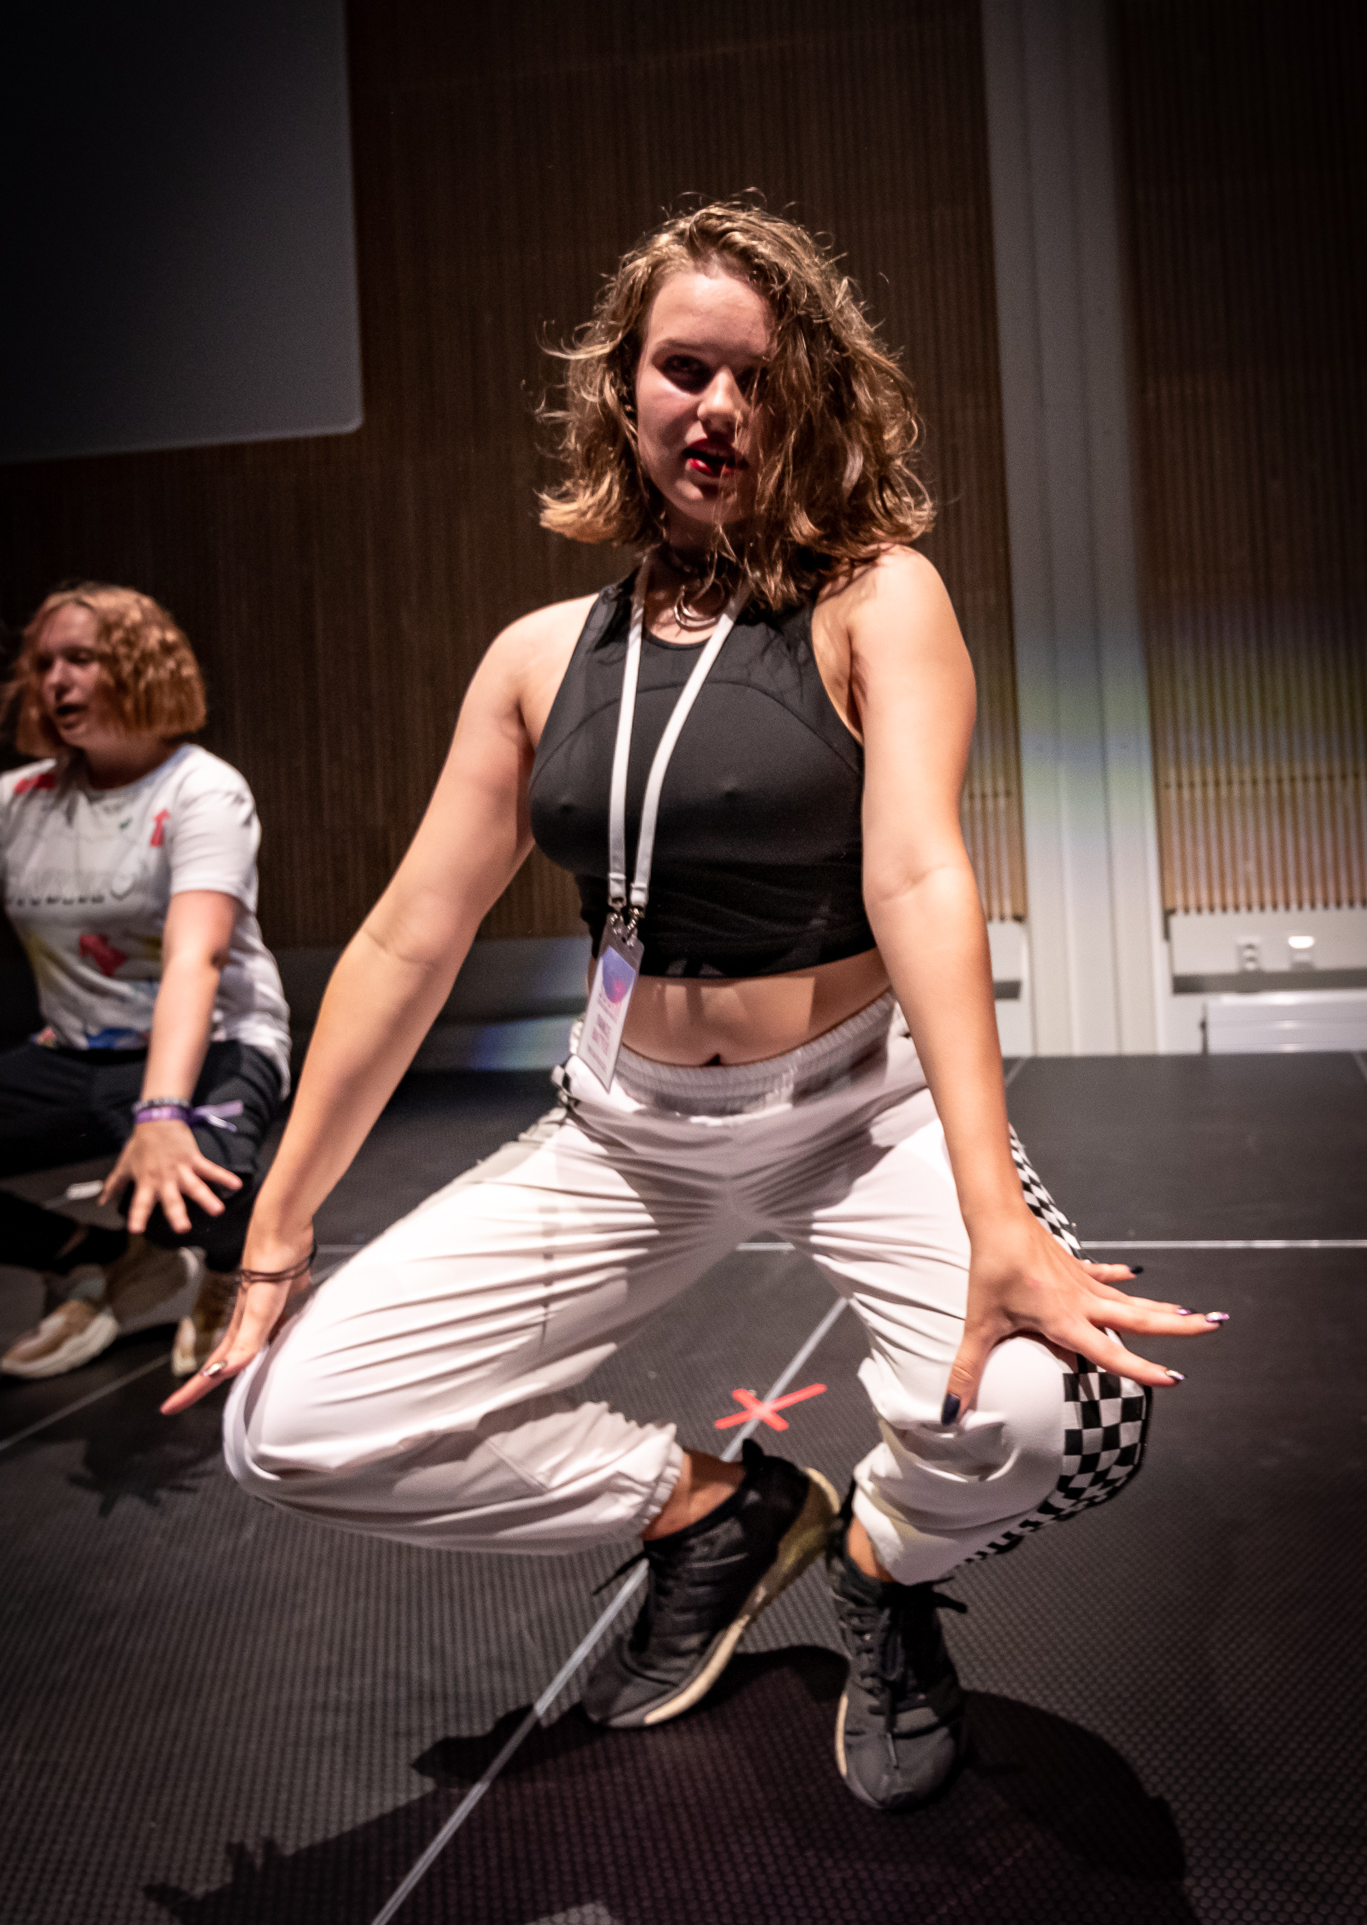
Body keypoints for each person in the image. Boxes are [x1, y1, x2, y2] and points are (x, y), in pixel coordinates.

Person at [166, 204, 1222, 1811]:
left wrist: (994, 1207)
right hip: (627, 1132)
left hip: (849, 1118)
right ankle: (710, 1513)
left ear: (813, 399)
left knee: (1047, 1412)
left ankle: (879, 1561)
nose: (717, 407)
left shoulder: (879, 601)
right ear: (623, 389)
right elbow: (404, 942)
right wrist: (278, 1225)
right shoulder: (536, 656)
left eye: (757, 375)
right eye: (682, 369)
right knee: (289, 1429)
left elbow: (918, 878)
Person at [0, 584, 290, 1380]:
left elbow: (196, 958)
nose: (56, 681)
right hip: (75, 1053)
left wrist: (161, 1112)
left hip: (216, 1043)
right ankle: (93, 1257)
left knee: (184, 1185)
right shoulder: (18, 803)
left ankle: (232, 1264)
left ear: (138, 666)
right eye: (44, 664)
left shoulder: (201, 790)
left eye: (81, 659)